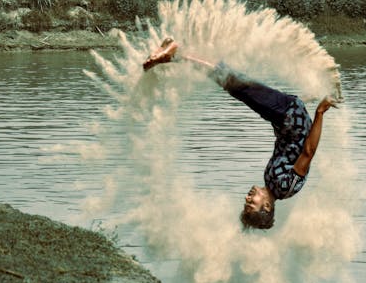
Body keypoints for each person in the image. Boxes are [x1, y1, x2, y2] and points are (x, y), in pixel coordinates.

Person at [143, 38, 337, 230]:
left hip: (283, 117)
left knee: (233, 84)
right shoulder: (285, 188)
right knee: (233, 82)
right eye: (251, 203)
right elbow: (308, 152)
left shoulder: (270, 181)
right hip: (286, 114)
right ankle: (175, 54)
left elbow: (285, 145)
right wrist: (319, 112)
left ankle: (176, 54)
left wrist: (297, 104)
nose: (248, 197)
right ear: (267, 206)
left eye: (248, 201)